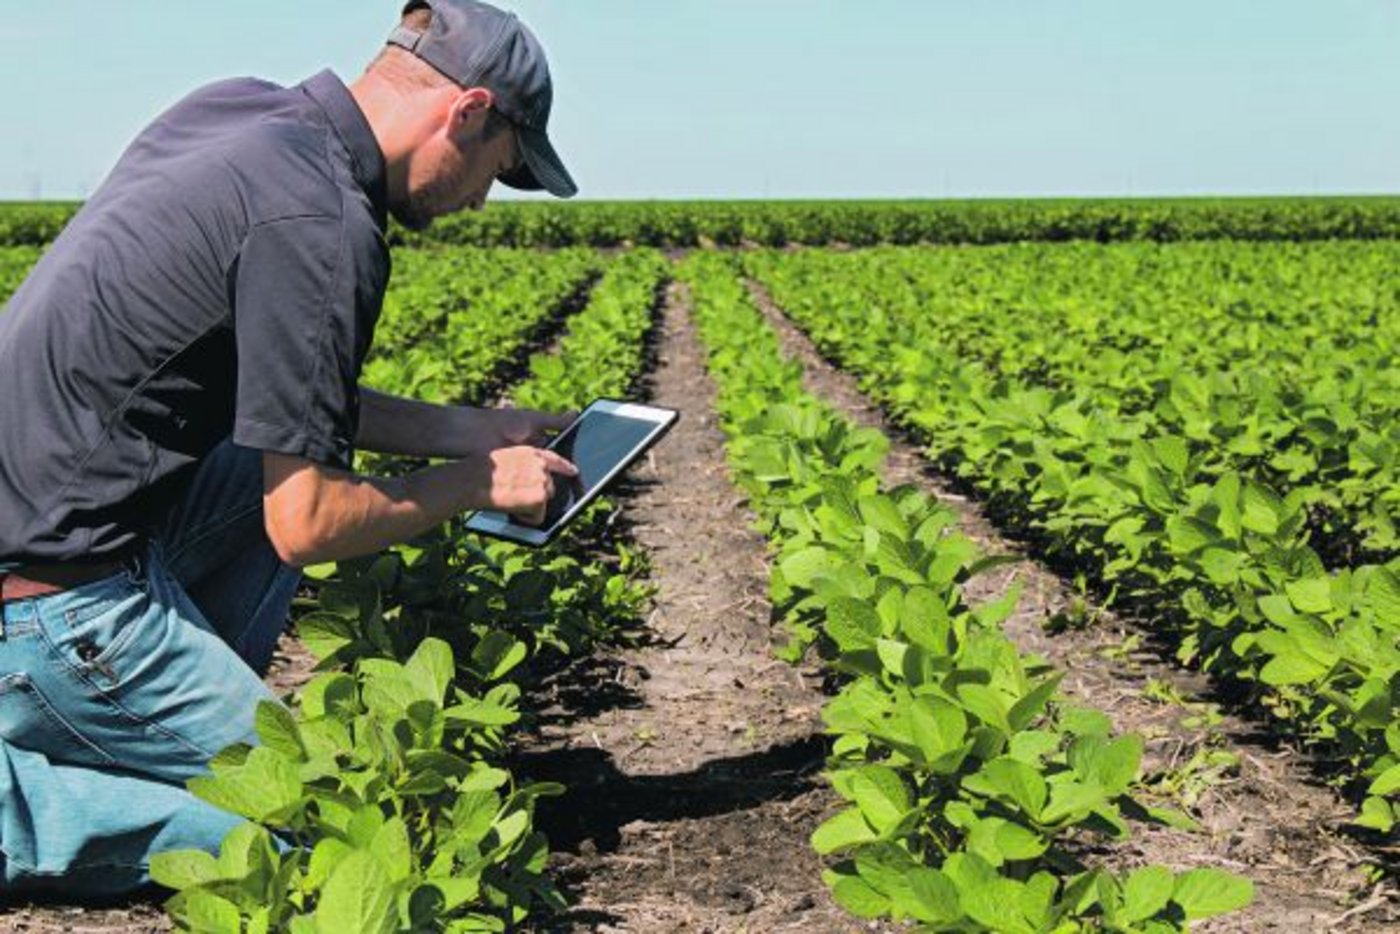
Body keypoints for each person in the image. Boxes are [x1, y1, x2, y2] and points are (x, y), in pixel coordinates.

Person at [0, 0, 578, 896]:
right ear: (465, 111)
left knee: (253, 454)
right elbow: (305, 523)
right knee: (343, 832)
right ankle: (26, 800)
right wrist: (473, 482)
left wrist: (460, 427)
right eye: (495, 171)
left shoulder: (236, 113)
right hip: (57, 609)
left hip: (44, 541)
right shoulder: (327, 225)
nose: (476, 200)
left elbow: (273, 399)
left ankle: (137, 727)